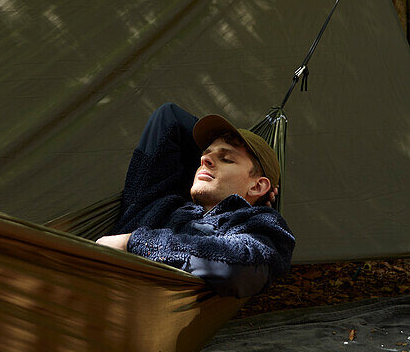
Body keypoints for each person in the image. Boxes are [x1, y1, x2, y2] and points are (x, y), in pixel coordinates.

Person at [96, 103, 295, 299]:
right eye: (203, 155)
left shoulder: (257, 225)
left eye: (227, 159)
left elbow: (238, 267)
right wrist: (213, 158)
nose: (204, 161)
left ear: (258, 186)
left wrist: (133, 243)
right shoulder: (158, 200)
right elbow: (169, 118)